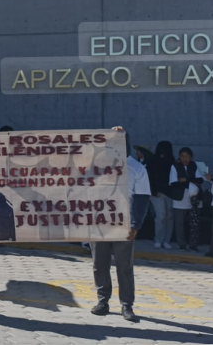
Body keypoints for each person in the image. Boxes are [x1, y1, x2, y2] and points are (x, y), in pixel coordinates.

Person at [91, 127, 151, 323]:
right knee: (99, 265)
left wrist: (135, 224)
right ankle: (103, 300)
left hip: (124, 224)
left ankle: (127, 305)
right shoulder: (96, 165)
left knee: (124, 266)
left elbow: (142, 198)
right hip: (99, 223)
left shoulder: (136, 168)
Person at [170, 147, 201, 252]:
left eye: (187, 156)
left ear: (191, 157)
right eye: (182, 156)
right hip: (180, 199)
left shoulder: (194, 165)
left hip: (193, 199)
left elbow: (199, 180)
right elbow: (174, 183)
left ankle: (193, 244)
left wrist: (186, 180)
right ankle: (182, 244)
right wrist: (191, 182)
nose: (185, 159)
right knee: (179, 223)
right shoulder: (175, 166)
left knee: (194, 223)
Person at [147, 141, 175, 249]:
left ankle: (167, 240)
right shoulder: (152, 161)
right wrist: (153, 191)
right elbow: (149, 178)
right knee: (161, 216)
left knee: (170, 216)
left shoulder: (172, 161)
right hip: (157, 193)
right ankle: (158, 239)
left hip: (170, 193)